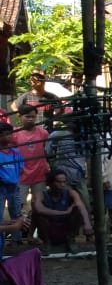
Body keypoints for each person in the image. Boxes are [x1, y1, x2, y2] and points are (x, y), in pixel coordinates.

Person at [13, 105, 51, 244]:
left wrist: (46, 165)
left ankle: (31, 236)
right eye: (27, 116)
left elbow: (45, 151)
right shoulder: (15, 134)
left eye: (32, 116)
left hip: (39, 174)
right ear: (20, 117)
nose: (30, 119)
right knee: (17, 206)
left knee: (38, 206)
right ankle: (16, 237)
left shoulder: (43, 133)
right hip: (20, 174)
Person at [33, 169, 93, 252]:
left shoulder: (71, 192)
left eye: (64, 182)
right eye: (59, 182)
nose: (62, 185)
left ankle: (71, 240)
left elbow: (80, 206)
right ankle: (47, 242)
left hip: (66, 229)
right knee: (37, 214)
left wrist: (87, 224)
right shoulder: (41, 194)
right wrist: (64, 212)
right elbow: (38, 209)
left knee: (78, 211)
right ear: (50, 183)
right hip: (49, 229)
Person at [0, 123, 24, 247]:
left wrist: (14, 180)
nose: (9, 136)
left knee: (16, 211)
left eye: (10, 133)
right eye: (5, 134)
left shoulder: (15, 152)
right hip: (1, 188)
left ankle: (16, 240)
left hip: (14, 187)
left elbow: (20, 168)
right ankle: (1, 240)